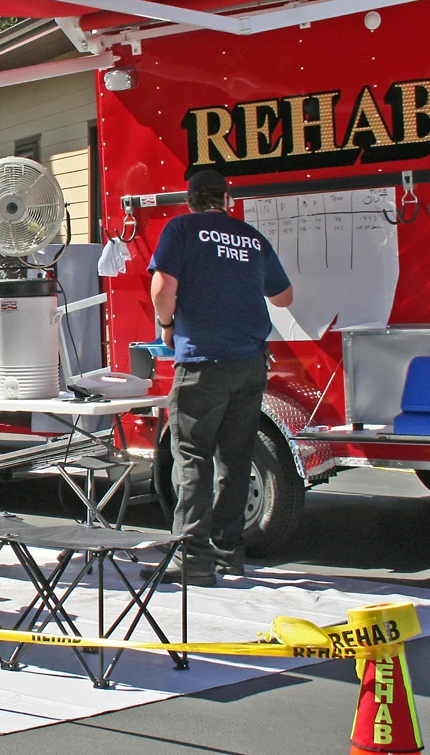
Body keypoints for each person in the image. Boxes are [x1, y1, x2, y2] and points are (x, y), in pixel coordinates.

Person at [140, 169, 293, 588]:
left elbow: (162, 287)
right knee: (236, 458)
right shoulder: (250, 237)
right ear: (228, 199)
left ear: (190, 200)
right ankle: (230, 556)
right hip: (249, 364)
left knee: (192, 457)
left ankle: (192, 559)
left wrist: (166, 323)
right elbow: (284, 296)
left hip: (202, 364)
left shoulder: (181, 228)